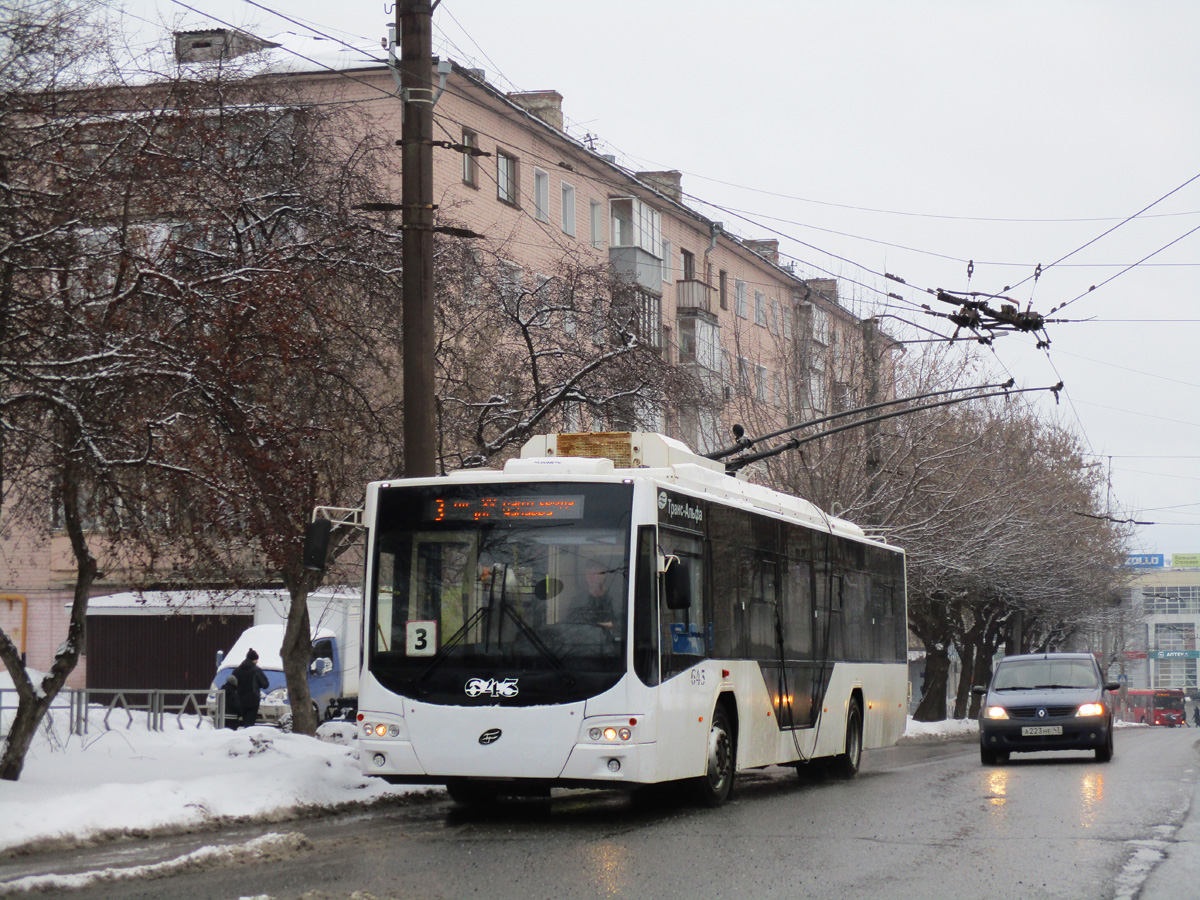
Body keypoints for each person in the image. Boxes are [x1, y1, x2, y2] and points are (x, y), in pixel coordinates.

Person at [233, 649, 269, 729]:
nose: (257, 662)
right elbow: (265, 684)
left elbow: (233, 684)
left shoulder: (236, 671)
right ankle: (248, 738)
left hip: (240, 700)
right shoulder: (256, 671)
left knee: (244, 722)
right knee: (250, 724)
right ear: (254, 660)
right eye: (256, 660)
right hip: (253, 700)